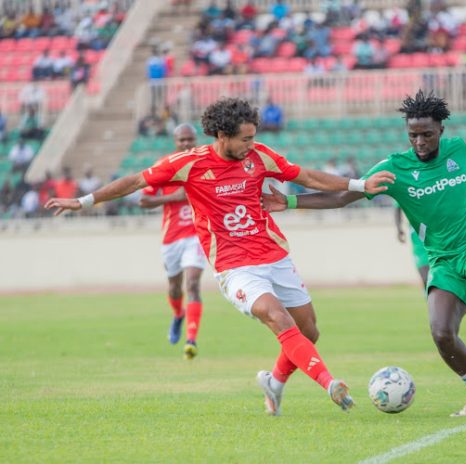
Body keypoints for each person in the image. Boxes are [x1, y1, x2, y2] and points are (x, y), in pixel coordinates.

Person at [45, 97, 395, 415]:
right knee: (277, 317)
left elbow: (305, 175)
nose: (251, 144)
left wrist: (357, 185)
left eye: (253, 137)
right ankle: (330, 383)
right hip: (235, 268)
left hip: (274, 256)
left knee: (309, 331)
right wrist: (84, 201)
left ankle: (274, 382)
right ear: (222, 136)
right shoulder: (189, 163)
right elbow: (136, 181)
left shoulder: (259, 156)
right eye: (245, 139)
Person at [262, 90, 466, 416]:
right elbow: (342, 198)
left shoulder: (456, 149)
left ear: (441, 131)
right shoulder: (394, 168)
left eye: (427, 134)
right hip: (441, 256)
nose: (420, 141)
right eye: (413, 135)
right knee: (441, 332)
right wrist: (291, 202)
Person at [138, 124, 207, 359]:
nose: (187, 144)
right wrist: (173, 197)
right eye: (182, 140)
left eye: (190, 139)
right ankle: (178, 315)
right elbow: (143, 201)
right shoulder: (164, 166)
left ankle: (191, 339)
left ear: (196, 140)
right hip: (171, 238)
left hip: (196, 236)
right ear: (175, 141)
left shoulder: (204, 164)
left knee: (193, 285)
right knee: (175, 287)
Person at [395, 206, 429, 287]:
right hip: (419, 246)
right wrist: (399, 228)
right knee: (426, 279)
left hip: (437, 241)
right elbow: (397, 207)